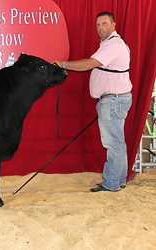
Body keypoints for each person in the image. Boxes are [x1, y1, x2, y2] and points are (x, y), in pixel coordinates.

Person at [52, 11, 132, 192]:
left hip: (113, 99)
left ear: (113, 25)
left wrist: (63, 64)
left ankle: (111, 183)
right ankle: (118, 180)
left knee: (113, 143)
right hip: (114, 99)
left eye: (104, 24)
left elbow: (89, 64)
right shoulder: (111, 44)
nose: (101, 28)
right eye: (98, 25)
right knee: (118, 141)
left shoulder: (113, 45)